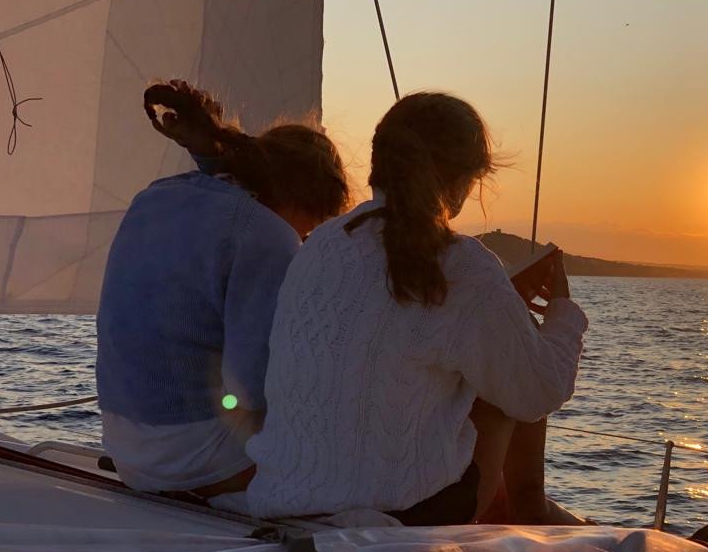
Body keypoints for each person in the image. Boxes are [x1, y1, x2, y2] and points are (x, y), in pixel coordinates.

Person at [243, 91, 588, 525]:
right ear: (466, 179)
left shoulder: (322, 244)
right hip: (406, 522)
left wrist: (500, 309)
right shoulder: (462, 263)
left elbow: (398, 321)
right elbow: (539, 391)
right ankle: (529, 514)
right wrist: (562, 312)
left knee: (493, 362)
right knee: (508, 391)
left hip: (282, 504)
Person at [96, 80, 349, 498]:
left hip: (125, 449)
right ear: (311, 197)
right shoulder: (268, 234)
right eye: (314, 225)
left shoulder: (154, 196)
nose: (306, 237)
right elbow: (249, 388)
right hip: (195, 463)